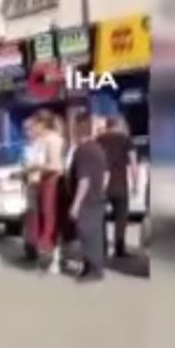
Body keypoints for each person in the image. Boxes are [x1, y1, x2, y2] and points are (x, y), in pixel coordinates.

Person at [18, 111, 67, 272]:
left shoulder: (53, 140)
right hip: (41, 183)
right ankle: (46, 254)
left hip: (52, 182)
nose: (32, 129)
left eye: (35, 125)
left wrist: (36, 167)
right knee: (42, 219)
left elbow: (56, 166)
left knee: (50, 218)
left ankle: (55, 256)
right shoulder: (40, 141)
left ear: (43, 124)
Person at [67, 112, 109, 283]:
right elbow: (106, 175)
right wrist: (100, 191)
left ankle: (95, 269)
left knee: (88, 234)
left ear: (78, 129)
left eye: (73, 128)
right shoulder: (98, 148)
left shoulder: (82, 151)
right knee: (93, 233)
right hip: (96, 197)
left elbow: (84, 180)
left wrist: (76, 205)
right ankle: (88, 267)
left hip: (87, 200)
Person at [95, 116, 138, 258]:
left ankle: (102, 248)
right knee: (121, 217)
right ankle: (119, 248)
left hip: (101, 183)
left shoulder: (98, 140)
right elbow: (133, 162)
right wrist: (135, 183)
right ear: (119, 125)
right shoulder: (126, 139)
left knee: (100, 216)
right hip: (120, 183)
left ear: (107, 126)